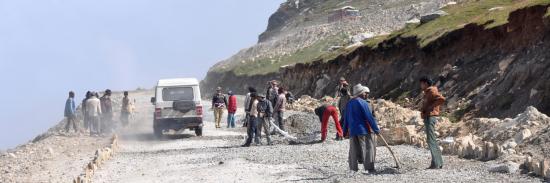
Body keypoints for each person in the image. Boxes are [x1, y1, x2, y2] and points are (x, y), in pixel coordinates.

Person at [344, 84, 380, 174]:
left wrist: (344, 131)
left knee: (353, 149)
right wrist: (376, 129)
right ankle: (370, 168)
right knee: (368, 148)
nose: (365, 94)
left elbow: (346, 118)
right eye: (364, 93)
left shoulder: (349, 103)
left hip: (352, 130)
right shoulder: (363, 103)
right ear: (360, 93)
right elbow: (369, 117)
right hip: (363, 130)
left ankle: (353, 169)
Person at [419, 77, 446, 169]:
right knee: (431, 140)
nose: (421, 85)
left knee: (431, 140)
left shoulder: (432, 91)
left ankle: (436, 163)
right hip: (428, 117)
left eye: (422, 83)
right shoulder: (427, 92)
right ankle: (437, 162)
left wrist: (431, 107)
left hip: (430, 117)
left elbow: (441, 99)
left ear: (426, 83)